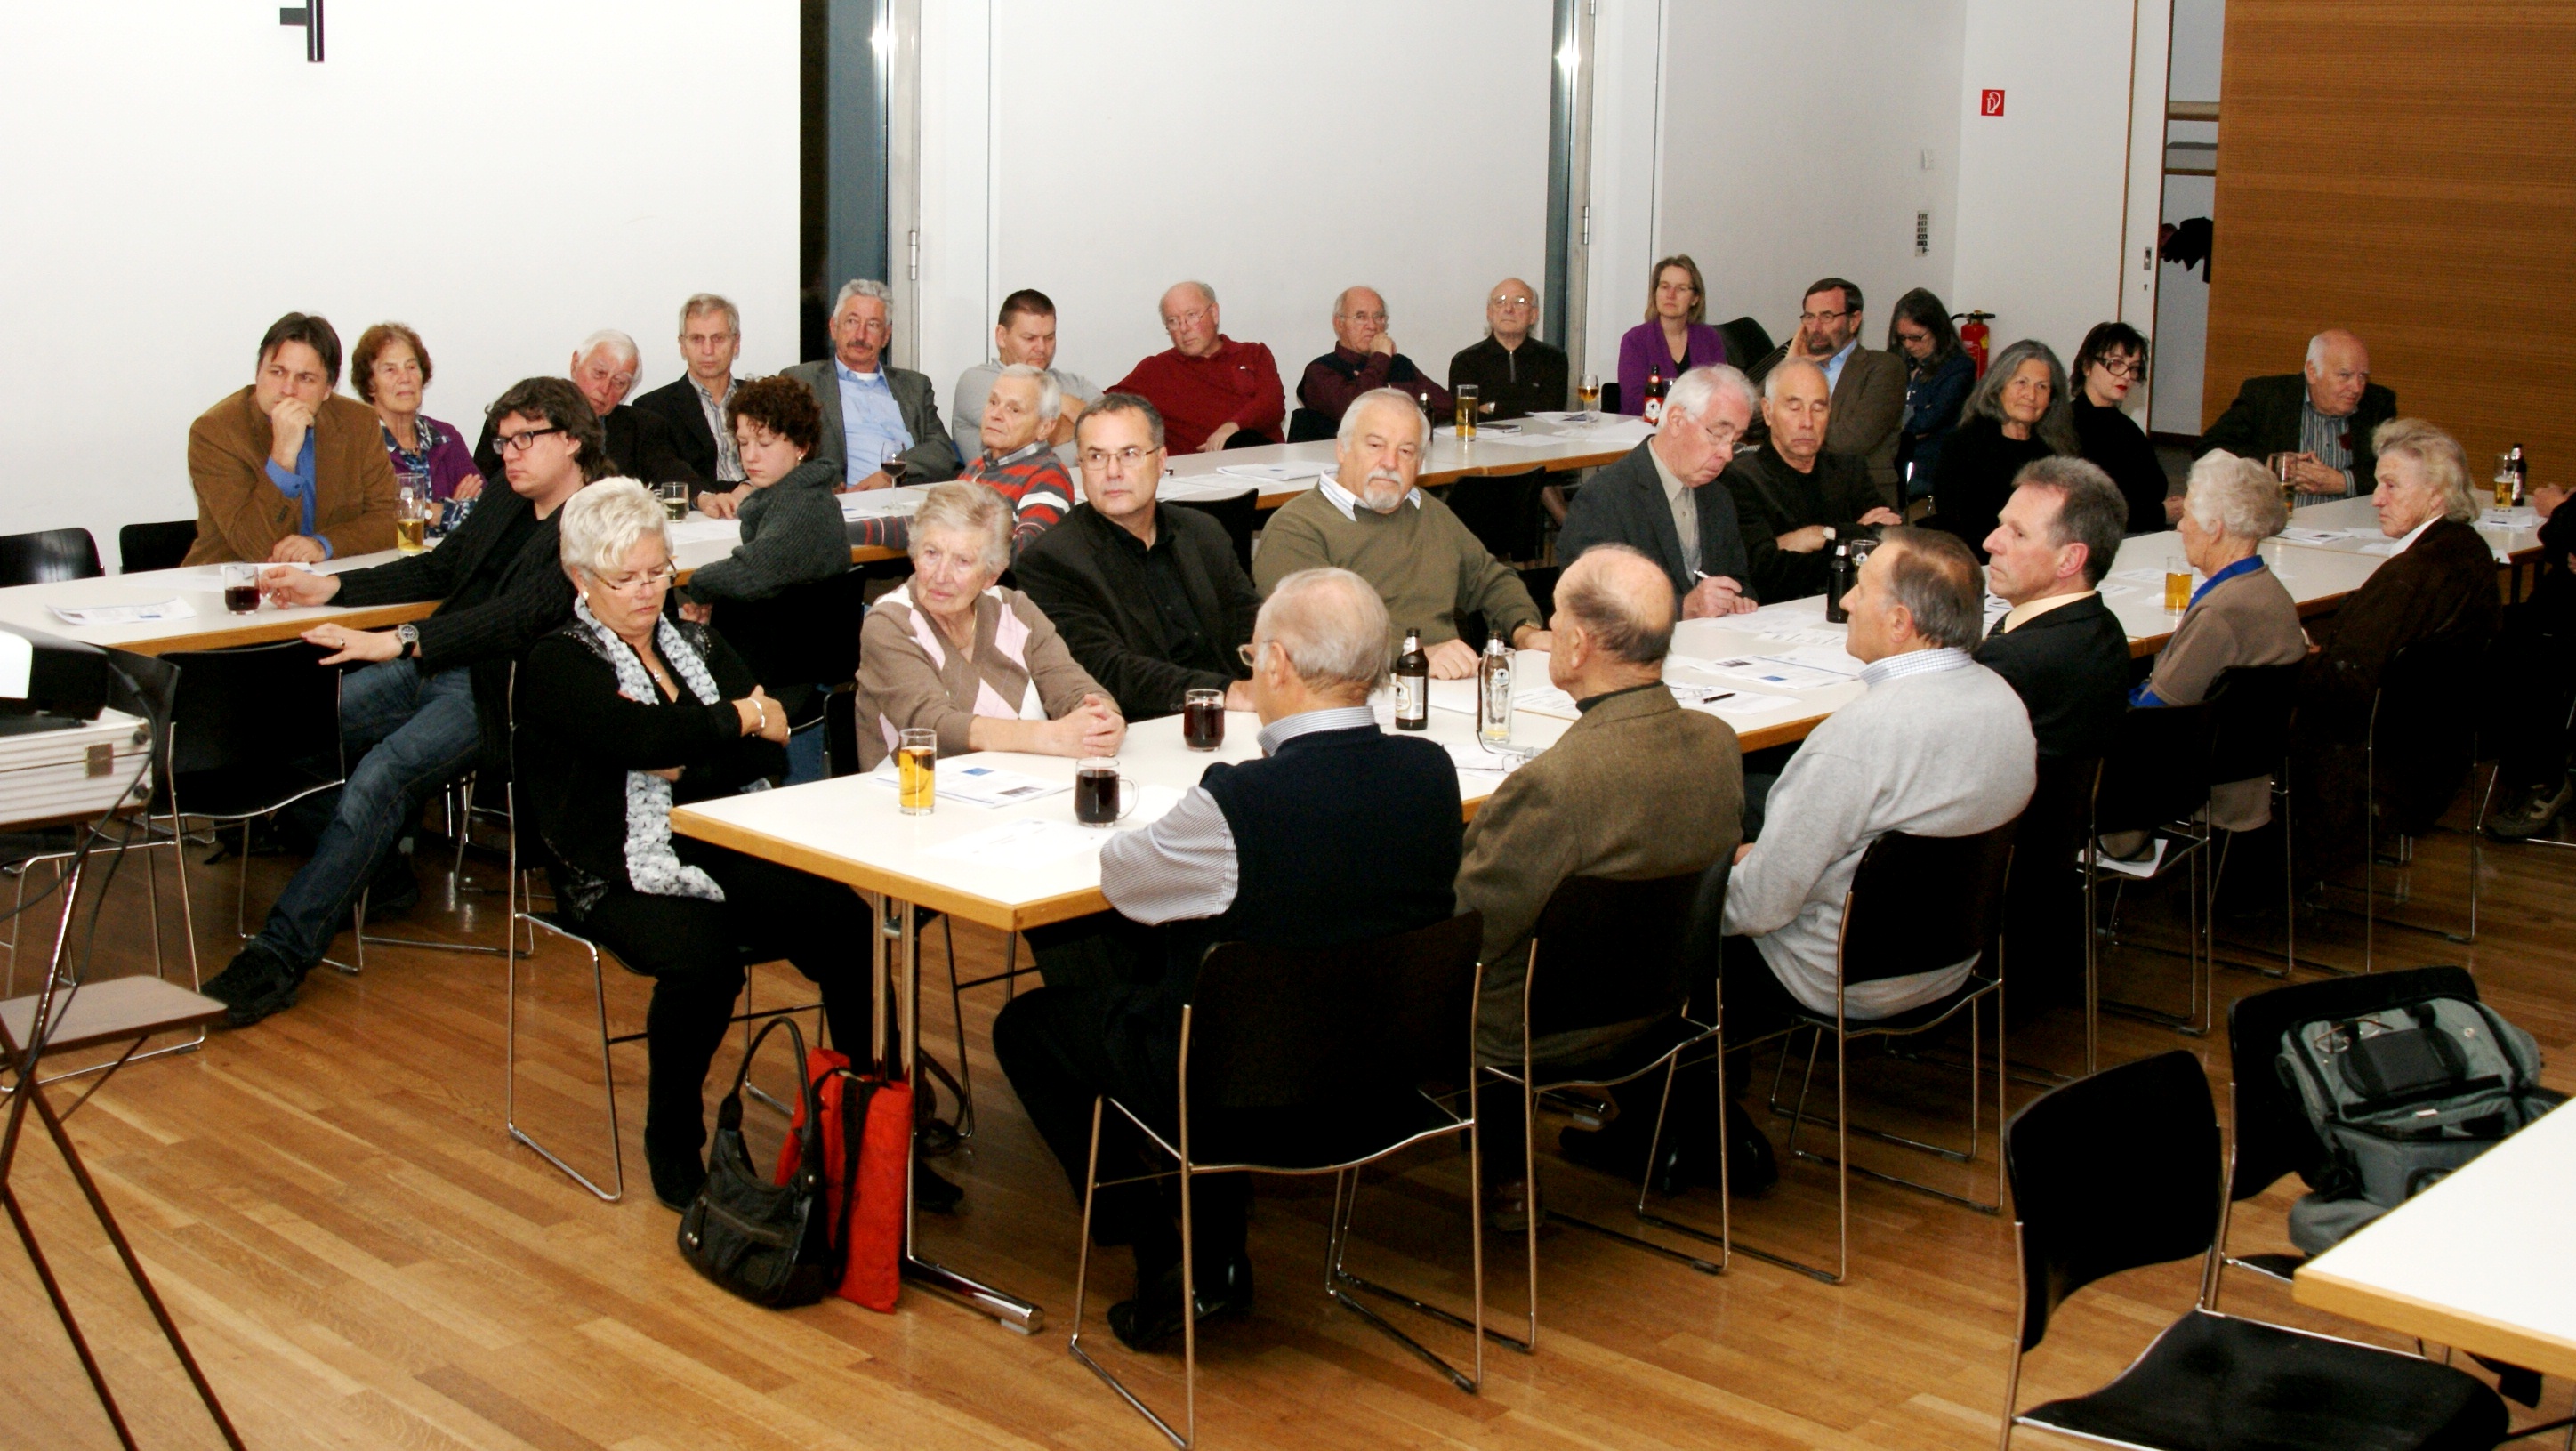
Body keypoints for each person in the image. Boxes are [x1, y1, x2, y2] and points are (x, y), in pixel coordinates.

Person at [991, 566, 1462, 1352]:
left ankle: (1168, 1249)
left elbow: (1125, 882)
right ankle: (1203, 1234)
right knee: (1192, 971)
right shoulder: (1431, 771)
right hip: (1385, 1075)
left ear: (1276, 663)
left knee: (1031, 1025)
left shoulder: (1239, 803)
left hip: (1242, 1091)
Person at [202, 378, 608, 1028]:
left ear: (573, 440)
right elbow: (439, 570)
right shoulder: (506, 495)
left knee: (380, 777)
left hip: (496, 691)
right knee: (292, 733)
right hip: (432, 660)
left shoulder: (598, 517)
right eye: (502, 441)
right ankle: (379, 871)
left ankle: (279, 955)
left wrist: (403, 640)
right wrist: (333, 587)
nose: (507, 454)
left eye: (524, 440)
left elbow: (521, 616)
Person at [511, 481, 873, 1211]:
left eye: (658, 572)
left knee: (847, 922)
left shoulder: (698, 643)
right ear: (582, 578)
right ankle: (672, 1140)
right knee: (703, 961)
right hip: (610, 868)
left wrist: (690, 752)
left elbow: (768, 748)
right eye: (626, 579)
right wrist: (733, 721)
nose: (648, 592)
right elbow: (647, 738)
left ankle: (865, 1123)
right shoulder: (558, 662)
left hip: (716, 837)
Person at [1718, 528, 2034, 1172]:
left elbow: (1760, 908)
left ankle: (1694, 1131)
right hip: (1949, 958)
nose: (1845, 602)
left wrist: (1705, 885)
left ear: (1899, 622)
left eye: (1859, 589)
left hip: (1836, 973)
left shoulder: (1859, 738)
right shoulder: (2005, 703)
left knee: (1669, 923)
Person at [1453, 544, 1743, 1224]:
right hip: (1662, 1003)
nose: (1550, 629)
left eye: (1555, 618)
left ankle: (1507, 1174)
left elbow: (1473, 930)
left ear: (1579, 645)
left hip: (1532, 1029)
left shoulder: (1556, 784)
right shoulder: (1718, 742)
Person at [2294, 419, 2500, 879]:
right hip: (2434, 746)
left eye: (2391, 486)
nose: (2376, 499)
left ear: (2437, 495)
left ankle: (2247, 876)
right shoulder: (2469, 551)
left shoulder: (2413, 573)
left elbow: (2343, 685)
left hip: (2376, 757)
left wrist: (2297, 653)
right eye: (2377, 484)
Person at [1252, 388, 1552, 676]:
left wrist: (1525, 631)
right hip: (1355, 692)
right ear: (1342, 449)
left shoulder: (1430, 513)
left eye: (1406, 451)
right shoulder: (1296, 528)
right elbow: (1309, 637)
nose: (1390, 462)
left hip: (1447, 685)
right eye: (1375, 446)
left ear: (1420, 463)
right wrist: (1414, 656)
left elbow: (1490, 580)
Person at [1013, 394, 1262, 721]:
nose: (1113, 472)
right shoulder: (1050, 561)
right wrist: (1226, 693)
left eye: (1129, 454)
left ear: (1160, 461)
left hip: (1237, 720)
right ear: (1081, 466)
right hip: (1139, 729)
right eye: (1096, 456)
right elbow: (1106, 671)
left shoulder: (1204, 533)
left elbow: (1256, 627)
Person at [850, 481, 1124, 770]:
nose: (940, 575)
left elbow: (1074, 687)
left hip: (1025, 784)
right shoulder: (889, 623)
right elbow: (933, 727)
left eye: (962, 561)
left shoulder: (1015, 610)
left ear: (992, 575)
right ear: (915, 555)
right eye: (931, 553)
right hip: (917, 790)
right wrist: (1050, 736)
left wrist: (1104, 720)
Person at [2123, 451, 2305, 834]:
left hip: (2194, 789)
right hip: (2245, 778)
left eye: (2188, 515)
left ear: (2215, 529)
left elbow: (2156, 714)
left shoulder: (2222, 612)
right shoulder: (2269, 590)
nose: (2180, 526)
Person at [185, 312, 398, 566]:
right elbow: (254, 547)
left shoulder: (358, 422)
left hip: (328, 575)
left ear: (328, 389)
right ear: (258, 373)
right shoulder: (216, 432)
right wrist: (283, 456)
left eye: (305, 378)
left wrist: (323, 545)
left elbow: (392, 518)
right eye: (277, 372)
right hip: (232, 581)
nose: (288, 389)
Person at [1558, 366, 1760, 617]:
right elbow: (1589, 602)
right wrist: (1683, 608)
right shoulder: (1605, 498)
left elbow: (1740, 580)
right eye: (1718, 435)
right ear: (1676, 420)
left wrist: (1737, 600)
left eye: (1735, 441)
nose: (1727, 454)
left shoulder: (1718, 497)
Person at [1975, 457, 2134, 762]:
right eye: (2000, 525)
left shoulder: (2011, 658)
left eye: (2018, 533)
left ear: (2069, 560)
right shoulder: (2106, 627)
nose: (1990, 542)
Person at [1719, 359, 1904, 602]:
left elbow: (1888, 540)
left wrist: (1821, 535)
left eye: (1818, 408)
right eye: (1794, 408)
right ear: (1767, 412)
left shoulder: (1850, 470)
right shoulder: (1740, 478)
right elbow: (1764, 571)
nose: (1807, 422)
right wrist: (1854, 536)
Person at [844, 365, 1074, 556]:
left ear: (1045, 427)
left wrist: (952, 541)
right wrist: (842, 531)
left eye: (1014, 409)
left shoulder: (1047, 476)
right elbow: (926, 524)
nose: (995, 414)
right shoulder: (978, 468)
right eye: (993, 402)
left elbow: (1027, 555)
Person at [674, 375, 846, 609]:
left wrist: (696, 587)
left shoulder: (805, 505)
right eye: (743, 443)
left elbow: (751, 573)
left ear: (801, 447)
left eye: (764, 444)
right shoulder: (784, 495)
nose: (750, 456)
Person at [780, 279, 961, 490]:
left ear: (886, 336)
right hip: (846, 499)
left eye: (873, 325)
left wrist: (891, 474)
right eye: (852, 321)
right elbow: (782, 450)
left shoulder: (914, 386)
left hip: (910, 493)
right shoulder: (803, 381)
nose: (861, 335)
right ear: (834, 328)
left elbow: (942, 451)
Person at [471, 330, 704, 493]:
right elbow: (485, 486)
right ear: (575, 364)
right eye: (599, 374)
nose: (604, 389)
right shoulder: (517, 421)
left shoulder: (643, 427)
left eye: (619, 382)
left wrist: (702, 497)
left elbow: (672, 473)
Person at [1747, 278, 1907, 504]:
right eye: (1809, 317)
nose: (1816, 327)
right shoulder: (1798, 370)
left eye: (1827, 317)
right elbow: (1751, 423)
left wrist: (1789, 437)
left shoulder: (1883, 367)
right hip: (1791, 492)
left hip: (1860, 497)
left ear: (1854, 321)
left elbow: (1853, 440)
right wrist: (1788, 366)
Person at [2196, 328, 2395, 502]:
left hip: (2348, 522)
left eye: (2363, 376)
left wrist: (2343, 482)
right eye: (2345, 375)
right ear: (2312, 372)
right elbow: (2209, 448)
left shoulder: (2377, 404)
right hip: (2276, 520)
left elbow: (2398, 470)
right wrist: (2270, 465)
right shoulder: (2266, 397)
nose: (2357, 387)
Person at [2482, 478, 2576, 839]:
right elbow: (2557, 542)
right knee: (2481, 629)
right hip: (2557, 607)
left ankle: (2542, 781)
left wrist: (2560, 511)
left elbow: (2560, 533)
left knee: (2531, 660)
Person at [1932, 338, 2078, 560]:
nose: (2031, 395)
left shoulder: (2056, 451)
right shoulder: (1964, 445)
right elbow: (1955, 522)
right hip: (1981, 560)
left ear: (2052, 399)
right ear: (1998, 387)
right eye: (2021, 382)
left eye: (2042, 386)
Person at [1110, 281, 1285, 454]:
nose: (1183, 328)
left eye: (1191, 316)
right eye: (1173, 321)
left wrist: (1233, 426)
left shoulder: (1253, 354)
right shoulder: (1156, 369)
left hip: (1264, 462)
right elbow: (1106, 406)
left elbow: (1272, 404)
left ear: (1214, 313)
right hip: (1195, 468)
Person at [948, 288, 1102, 464]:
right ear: (1002, 337)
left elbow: (1116, 431)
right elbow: (1025, 437)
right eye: (1030, 338)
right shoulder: (977, 380)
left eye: (1049, 338)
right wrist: (1074, 410)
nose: (1042, 348)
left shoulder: (1077, 383)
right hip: (1013, 482)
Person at [352, 322, 482, 531]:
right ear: (370, 384)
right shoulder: (359, 445)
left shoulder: (445, 437)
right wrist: (440, 512)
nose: (405, 378)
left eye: (411, 367)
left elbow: (488, 510)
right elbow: (376, 520)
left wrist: (427, 512)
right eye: (390, 370)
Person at [632, 294, 749, 499]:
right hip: (694, 512)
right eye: (697, 339)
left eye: (718, 338)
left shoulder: (763, 399)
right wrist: (705, 498)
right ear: (682, 345)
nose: (708, 350)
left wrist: (751, 487)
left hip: (762, 505)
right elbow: (661, 471)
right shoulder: (653, 408)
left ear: (736, 342)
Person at [1296, 286, 1452, 427]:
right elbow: (1356, 412)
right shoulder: (1320, 370)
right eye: (1360, 317)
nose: (1372, 326)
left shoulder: (1399, 363)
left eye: (1378, 317)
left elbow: (1447, 407)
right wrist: (1381, 357)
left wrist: (1389, 390)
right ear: (1339, 324)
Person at [2069, 321, 2169, 533]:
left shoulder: (2126, 427)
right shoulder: (2068, 425)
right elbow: (2091, 511)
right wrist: (2161, 513)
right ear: (2087, 366)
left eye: (2133, 368)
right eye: (2115, 364)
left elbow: (2155, 486)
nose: (2126, 376)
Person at [1889, 289, 1974, 503]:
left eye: (1916, 337)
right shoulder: (1894, 362)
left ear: (1937, 330)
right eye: (1902, 338)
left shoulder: (1958, 368)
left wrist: (1895, 423)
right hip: (1890, 458)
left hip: (1927, 465)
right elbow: (1876, 409)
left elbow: (1928, 421)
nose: (1908, 344)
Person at [1615, 255, 1726, 416]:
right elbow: (1633, 402)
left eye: (1681, 289)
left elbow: (1720, 393)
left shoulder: (1709, 338)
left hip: (1699, 428)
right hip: (1647, 428)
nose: (1671, 295)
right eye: (1664, 287)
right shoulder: (1635, 340)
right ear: (1655, 293)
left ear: (1695, 298)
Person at [1448, 277, 1568, 420]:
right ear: (1489, 313)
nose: (1509, 309)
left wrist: (1492, 407)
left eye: (1519, 302)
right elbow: (1466, 417)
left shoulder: (1553, 358)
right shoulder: (1465, 361)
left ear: (1534, 315)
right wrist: (1526, 407)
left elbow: (1551, 411)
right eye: (1500, 302)